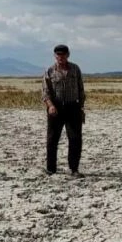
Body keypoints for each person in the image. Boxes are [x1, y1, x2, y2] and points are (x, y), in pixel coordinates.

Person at [41, 44, 86, 178]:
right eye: (58, 55)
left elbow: (81, 89)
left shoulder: (75, 69)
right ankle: (51, 168)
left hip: (73, 107)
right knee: (52, 139)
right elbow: (45, 92)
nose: (61, 57)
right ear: (55, 56)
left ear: (68, 55)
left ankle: (74, 169)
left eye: (63, 55)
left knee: (75, 139)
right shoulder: (49, 71)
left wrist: (81, 107)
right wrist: (50, 106)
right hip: (56, 108)